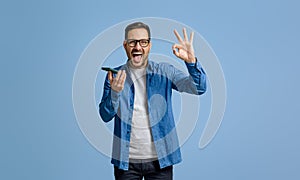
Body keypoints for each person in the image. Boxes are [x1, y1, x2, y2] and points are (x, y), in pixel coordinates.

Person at [99, 22, 206, 180]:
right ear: (125, 45)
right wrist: (115, 93)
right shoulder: (114, 76)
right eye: (132, 42)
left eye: (143, 42)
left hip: (160, 161)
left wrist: (191, 62)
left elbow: (198, 88)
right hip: (126, 162)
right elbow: (105, 115)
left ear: (149, 45)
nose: (138, 47)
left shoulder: (165, 72)